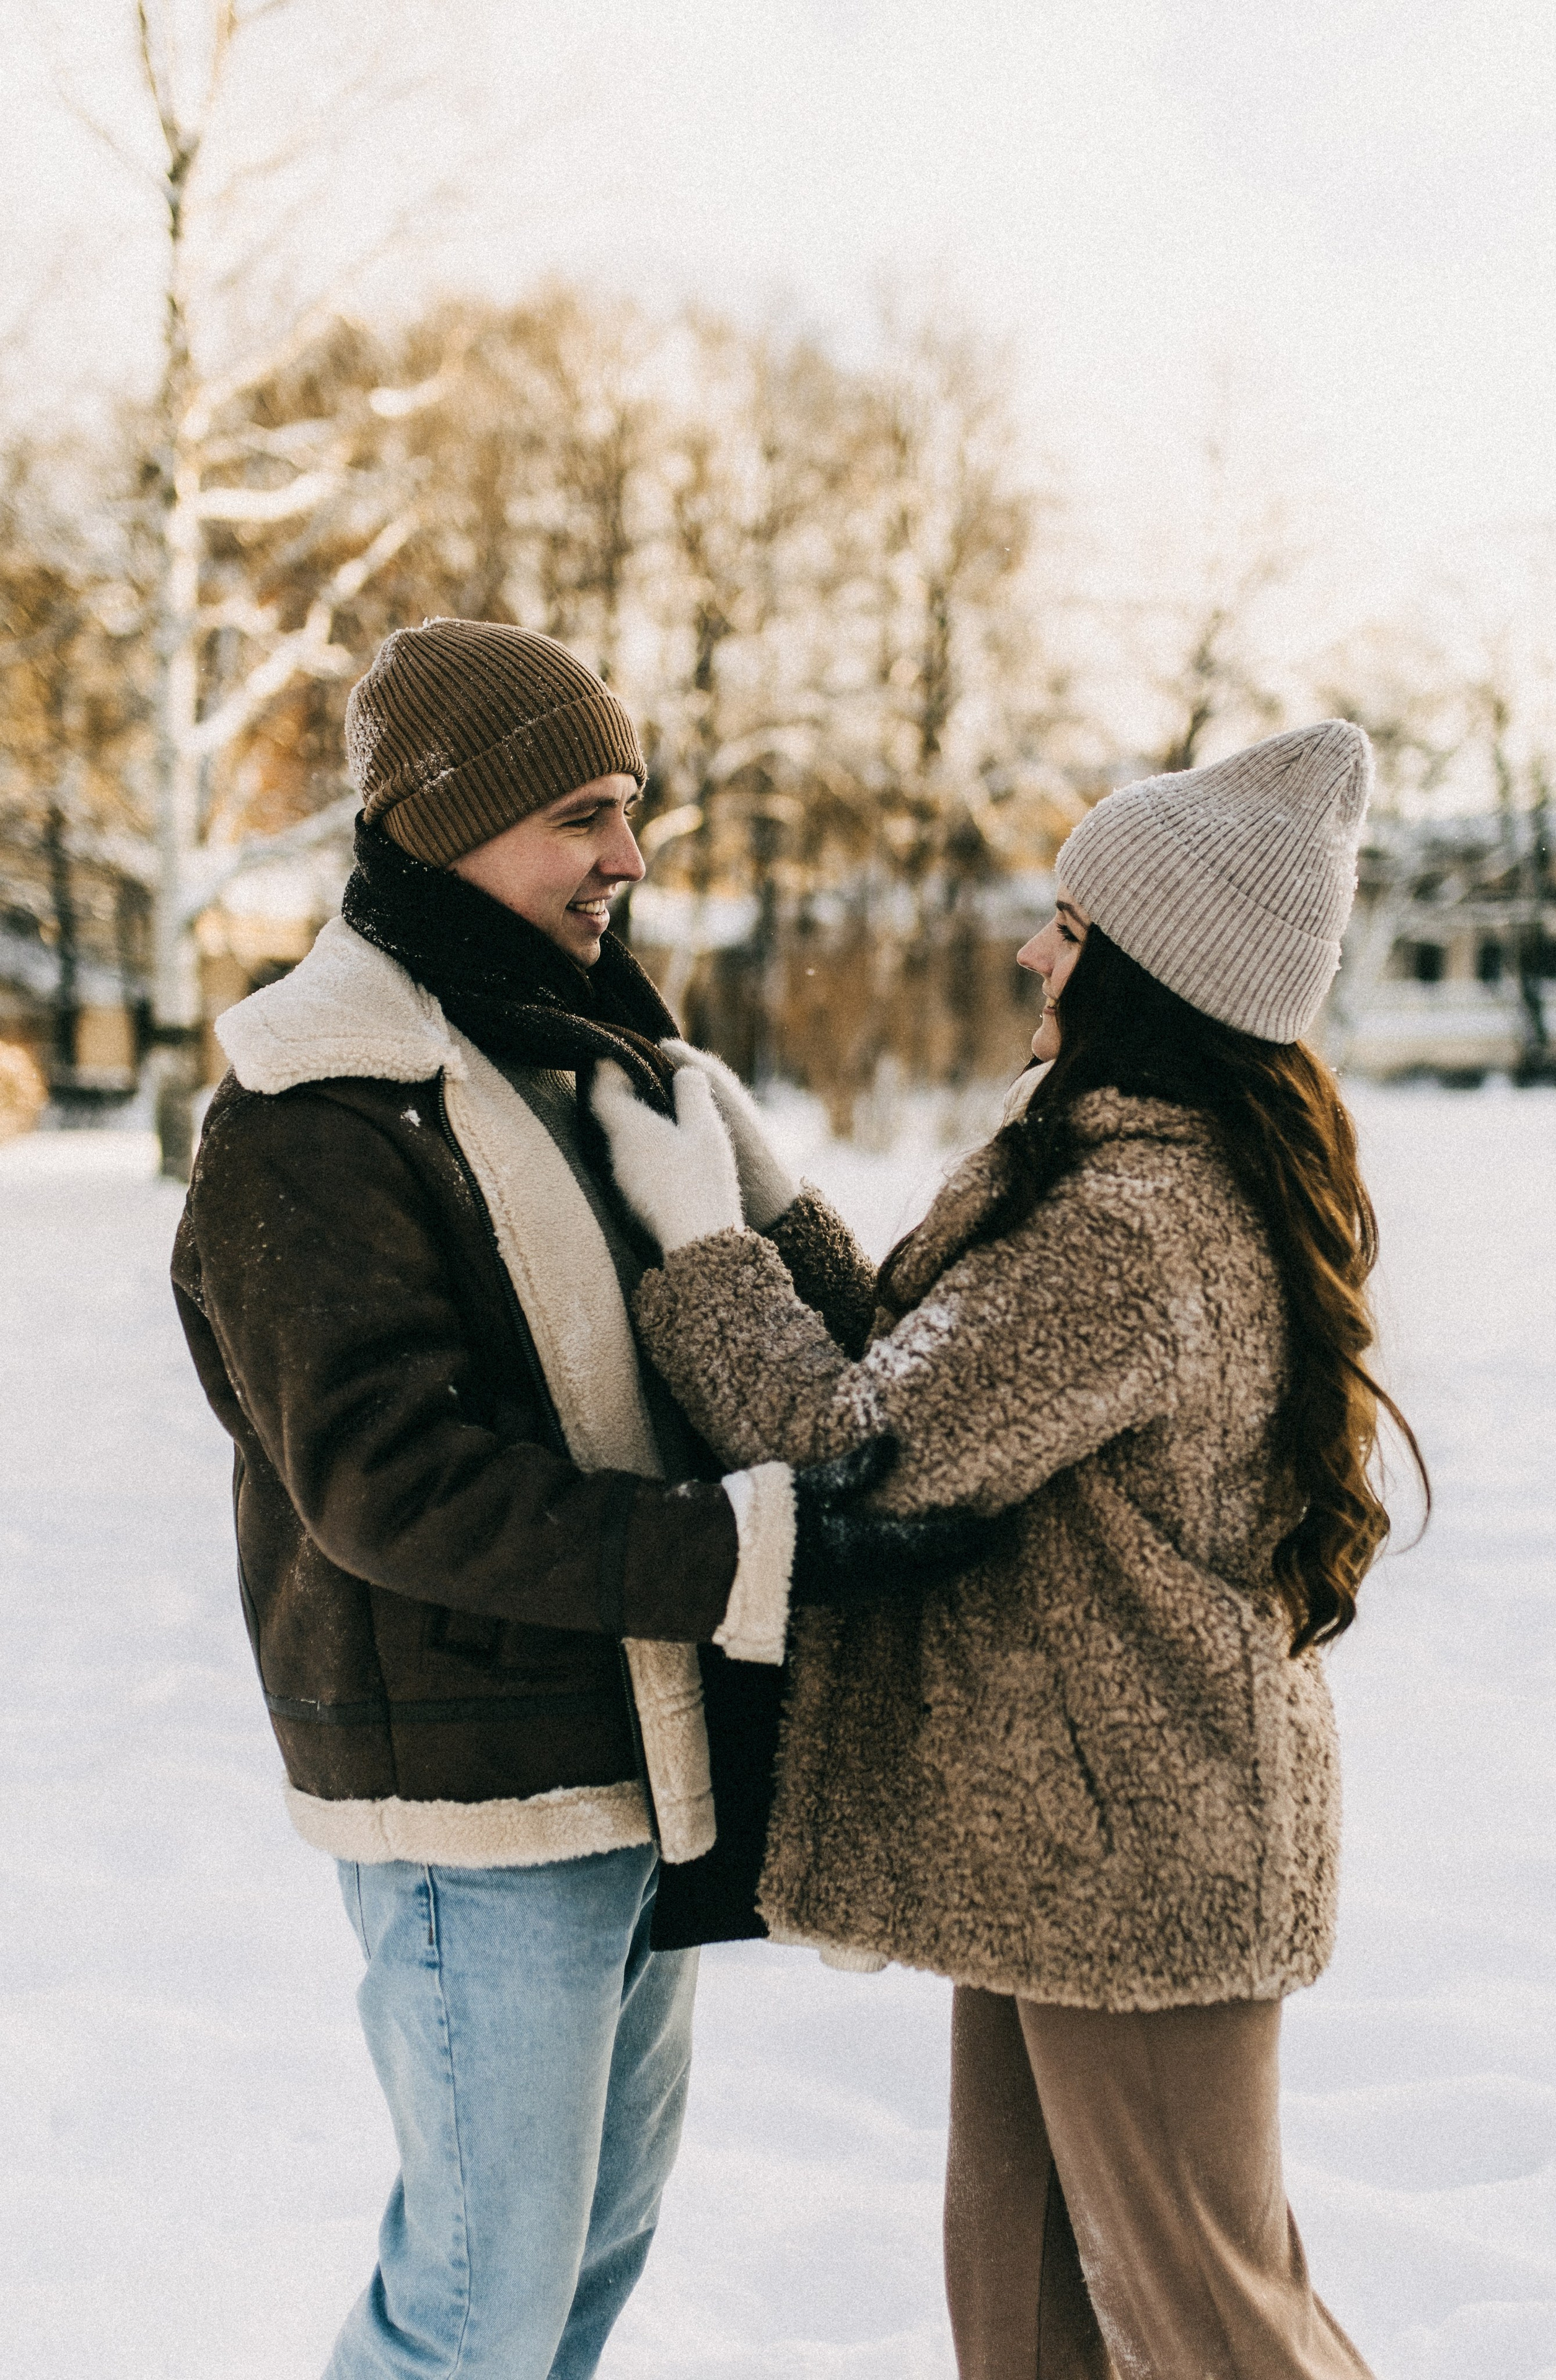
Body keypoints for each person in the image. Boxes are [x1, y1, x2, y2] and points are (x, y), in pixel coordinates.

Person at [171, 617, 988, 2380]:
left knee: (583, 2276)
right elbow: (390, 1485)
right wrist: (740, 1554)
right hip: (476, 1801)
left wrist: (743, 1207)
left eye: (635, 811)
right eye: (586, 815)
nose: (629, 857)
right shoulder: (312, 1110)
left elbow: (826, 1333)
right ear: (443, 820)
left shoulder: (593, 1060)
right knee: (473, 2304)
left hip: (635, 1760)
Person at [594, 719, 1424, 2378]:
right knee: (1031, 2306)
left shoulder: (1138, 1223)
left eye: (1072, 925)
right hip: (1072, 1847)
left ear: (1147, 976)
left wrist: (698, 1242)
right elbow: (932, 1361)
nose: (1035, 948)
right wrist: (772, 1207)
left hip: (1138, 1858)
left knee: (1207, 2317)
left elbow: (862, 1440)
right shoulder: (1133, 1180)